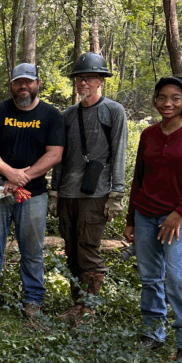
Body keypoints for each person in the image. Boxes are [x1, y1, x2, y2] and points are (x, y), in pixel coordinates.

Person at [125, 76, 182, 363]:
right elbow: (138, 178)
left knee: (177, 279)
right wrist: (131, 220)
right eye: (163, 97)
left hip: (178, 219)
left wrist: (179, 213)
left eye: (175, 98)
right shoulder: (149, 134)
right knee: (150, 278)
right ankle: (153, 332)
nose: (168, 103)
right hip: (145, 215)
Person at [0, 63, 65, 316]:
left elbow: (55, 154)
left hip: (34, 195)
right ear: (11, 84)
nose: (23, 86)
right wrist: (8, 173)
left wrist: (22, 177)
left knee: (32, 249)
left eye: (28, 81)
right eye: (18, 82)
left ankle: (33, 299)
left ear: (38, 83)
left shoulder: (51, 115)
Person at [49, 53, 129, 321]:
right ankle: (76, 304)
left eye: (90, 78)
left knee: (88, 249)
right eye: (80, 78)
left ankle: (90, 306)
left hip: (96, 193)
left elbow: (119, 152)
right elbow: (58, 156)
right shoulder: (68, 115)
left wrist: (116, 193)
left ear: (100, 81)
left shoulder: (113, 111)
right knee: (71, 248)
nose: (84, 83)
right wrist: (54, 192)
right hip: (68, 192)